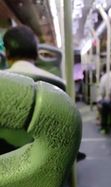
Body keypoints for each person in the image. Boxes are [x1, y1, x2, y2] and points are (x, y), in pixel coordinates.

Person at [3, 25, 86, 161]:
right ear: (36, 52)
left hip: (6, 161)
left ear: (7, 53)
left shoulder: (2, 82)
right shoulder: (58, 84)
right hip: (46, 160)